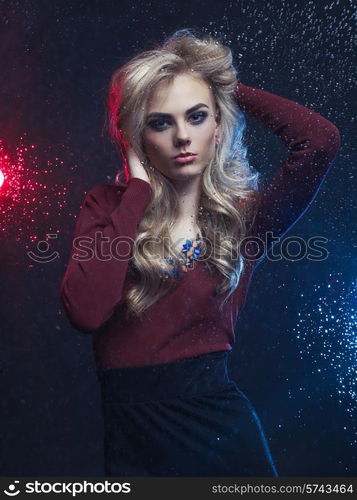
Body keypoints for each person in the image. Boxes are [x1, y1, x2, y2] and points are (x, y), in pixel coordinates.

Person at [59, 28, 341, 477]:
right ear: (136, 136)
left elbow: (319, 141)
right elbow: (87, 313)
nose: (182, 136)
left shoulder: (244, 222)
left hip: (223, 437)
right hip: (134, 439)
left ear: (218, 124)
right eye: (160, 122)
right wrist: (137, 192)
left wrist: (219, 84)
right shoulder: (108, 207)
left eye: (196, 116)